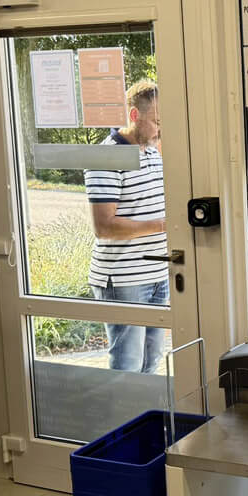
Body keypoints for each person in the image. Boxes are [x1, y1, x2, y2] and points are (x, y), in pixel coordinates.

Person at [84, 79, 169, 372]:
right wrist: (163, 226)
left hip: (158, 275)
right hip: (124, 280)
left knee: (151, 363)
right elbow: (104, 227)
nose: (161, 130)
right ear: (134, 115)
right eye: (158, 121)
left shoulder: (151, 151)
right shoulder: (106, 157)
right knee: (127, 367)